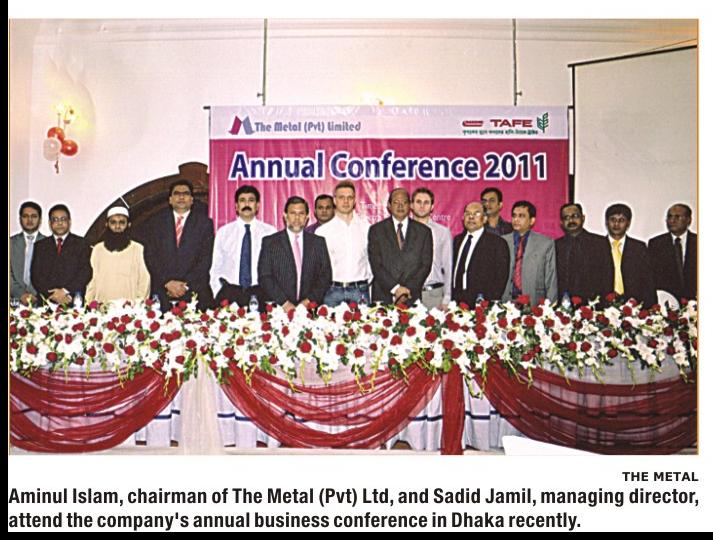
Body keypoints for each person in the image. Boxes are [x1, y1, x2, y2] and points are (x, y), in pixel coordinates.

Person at [144, 180, 215, 310]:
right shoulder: (155, 223)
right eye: (177, 193)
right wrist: (168, 283)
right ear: (170, 199)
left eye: (186, 193)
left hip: (194, 292)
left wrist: (184, 286)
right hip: (163, 291)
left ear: (192, 200)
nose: (181, 197)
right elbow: (151, 257)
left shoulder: (205, 224)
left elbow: (205, 259)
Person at [258, 196, 332, 309]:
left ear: (307, 217)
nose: (297, 218)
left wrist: (308, 302)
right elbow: (265, 276)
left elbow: (325, 276)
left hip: (310, 308)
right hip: (279, 308)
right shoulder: (270, 242)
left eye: (301, 213)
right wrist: (284, 303)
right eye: (293, 213)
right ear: (285, 216)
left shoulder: (318, 242)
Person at [210, 185, 276, 308]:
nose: (246, 204)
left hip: (261, 292)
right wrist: (217, 291)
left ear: (257, 205)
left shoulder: (270, 232)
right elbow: (215, 267)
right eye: (242, 200)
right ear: (236, 206)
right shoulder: (223, 232)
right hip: (230, 292)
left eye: (251, 200)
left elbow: (275, 268)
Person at [368, 188, 433, 306]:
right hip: (383, 294)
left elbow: (425, 265)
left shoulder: (424, 232)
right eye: (396, 202)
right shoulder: (376, 230)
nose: (400, 206)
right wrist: (396, 289)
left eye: (404, 202)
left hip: (411, 295)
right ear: (389, 206)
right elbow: (376, 265)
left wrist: (407, 290)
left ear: (410, 205)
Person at [316, 181, 371, 306]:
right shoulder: (322, 232)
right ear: (335, 200)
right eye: (341, 197)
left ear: (354, 200)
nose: (346, 201)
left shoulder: (366, 228)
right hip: (331, 292)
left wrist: (364, 283)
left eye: (349, 197)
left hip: (360, 291)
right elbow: (318, 267)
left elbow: (371, 261)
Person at [85, 206, 151, 303]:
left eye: (122, 222)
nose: (117, 226)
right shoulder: (98, 249)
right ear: (107, 224)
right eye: (113, 222)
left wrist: (138, 305)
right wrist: (89, 303)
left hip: (129, 308)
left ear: (128, 225)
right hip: (102, 306)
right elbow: (92, 280)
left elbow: (144, 281)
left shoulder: (138, 249)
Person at [31, 204, 91, 305]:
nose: (59, 223)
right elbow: (36, 276)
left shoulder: (82, 244)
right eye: (55, 219)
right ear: (50, 223)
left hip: (72, 300)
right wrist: (53, 296)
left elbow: (85, 272)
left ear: (69, 222)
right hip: (47, 301)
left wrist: (65, 291)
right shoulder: (40, 246)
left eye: (63, 219)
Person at [452, 201, 510, 305]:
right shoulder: (457, 241)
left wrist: (488, 303)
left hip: (482, 303)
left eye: (476, 214)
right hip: (456, 301)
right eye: (467, 213)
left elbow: (501, 277)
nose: (471, 217)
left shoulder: (497, 243)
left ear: (485, 219)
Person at [501, 200, 557, 304]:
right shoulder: (502, 241)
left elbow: (551, 278)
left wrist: (550, 306)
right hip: (506, 301)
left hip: (534, 302)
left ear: (532, 220)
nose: (516, 219)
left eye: (521, 216)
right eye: (514, 216)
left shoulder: (545, 243)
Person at [602, 203, 656, 307]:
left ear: (628, 223)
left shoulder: (639, 248)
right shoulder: (597, 247)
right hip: (603, 305)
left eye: (621, 220)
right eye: (613, 219)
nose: (616, 224)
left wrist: (650, 307)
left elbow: (648, 281)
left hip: (634, 305)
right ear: (606, 222)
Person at [555, 203, 611, 302]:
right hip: (563, 303)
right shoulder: (556, 246)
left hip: (594, 303)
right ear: (561, 222)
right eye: (566, 218)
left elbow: (607, 275)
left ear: (583, 218)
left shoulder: (599, 243)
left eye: (575, 216)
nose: (571, 220)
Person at [410, 187, 452, 309]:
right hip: (408, 294)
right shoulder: (403, 231)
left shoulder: (442, 232)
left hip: (434, 294)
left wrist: (447, 297)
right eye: (418, 202)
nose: (422, 206)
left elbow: (448, 266)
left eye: (426, 202)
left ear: (432, 206)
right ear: (411, 205)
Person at [647, 203, 697, 301]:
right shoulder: (656, 244)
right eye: (669, 217)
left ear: (689, 220)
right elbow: (651, 276)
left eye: (677, 217)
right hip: (667, 301)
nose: (672, 220)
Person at [10, 201, 46, 305]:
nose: (29, 220)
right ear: (20, 219)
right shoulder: (10, 243)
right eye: (25, 216)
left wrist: (35, 295)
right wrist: (21, 294)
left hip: (41, 301)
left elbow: (50, 275)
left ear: (40, 220)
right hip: (14, 301)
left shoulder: (48, 244)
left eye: (34, 216)